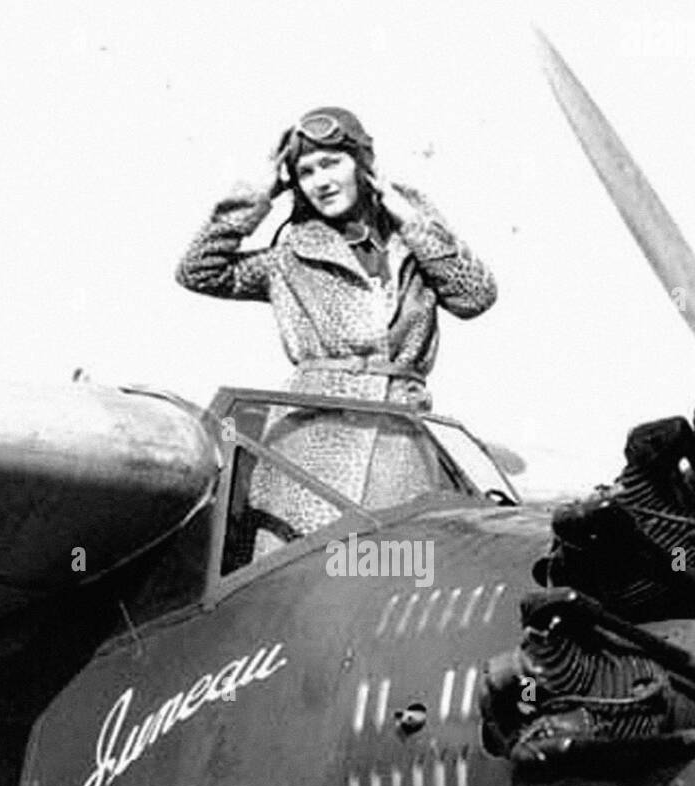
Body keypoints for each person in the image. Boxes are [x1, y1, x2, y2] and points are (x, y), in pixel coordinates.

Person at [176, 108, 497, 544]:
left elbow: (475, 296)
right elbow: (198, 270)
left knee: (393, 576)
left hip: (400, 443)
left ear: (363, 164)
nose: (320, 181)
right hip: (309, 454)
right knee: (298, 589)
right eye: (305, 172)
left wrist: (412, 218)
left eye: (331, 162)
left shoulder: (414, 248)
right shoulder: (289, 258)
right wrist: (259, 193)